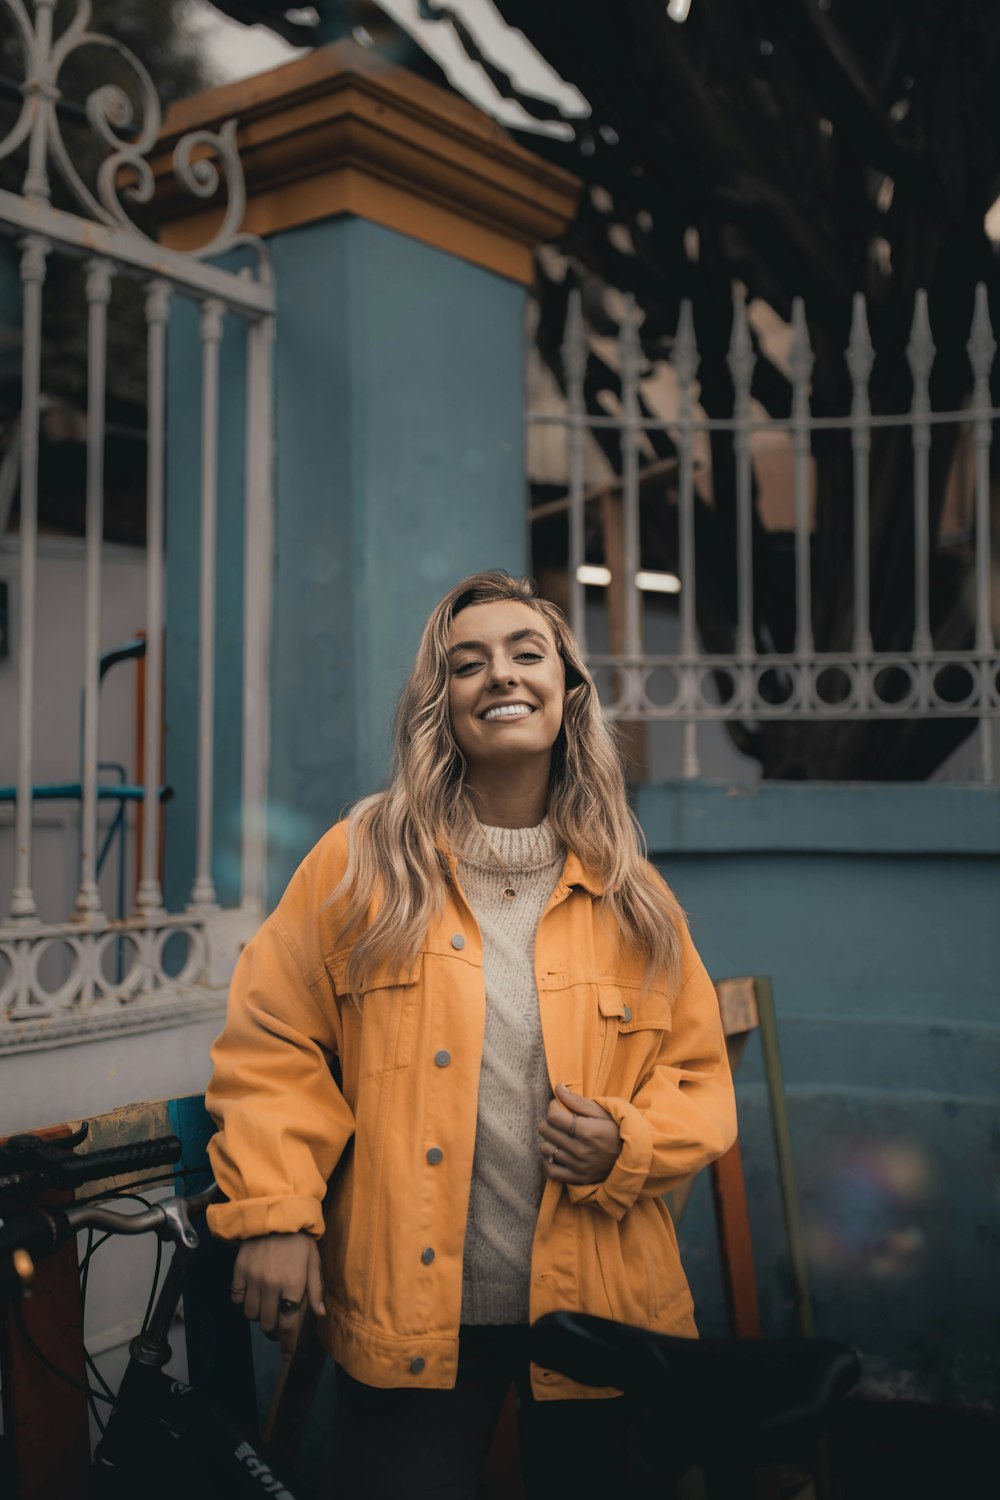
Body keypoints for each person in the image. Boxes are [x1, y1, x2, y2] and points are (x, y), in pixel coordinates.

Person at [205, 570, 737, 1497]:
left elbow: (695, 1079)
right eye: (468, 663)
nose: (502, 676)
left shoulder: (632, 894)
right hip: (415, 1313)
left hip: (597, 1312)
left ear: (568, 693)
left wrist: (628, 1141)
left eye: (527, 654)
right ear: (438, 704)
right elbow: (274, 1042)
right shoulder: (363, 862)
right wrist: (275, 1213)